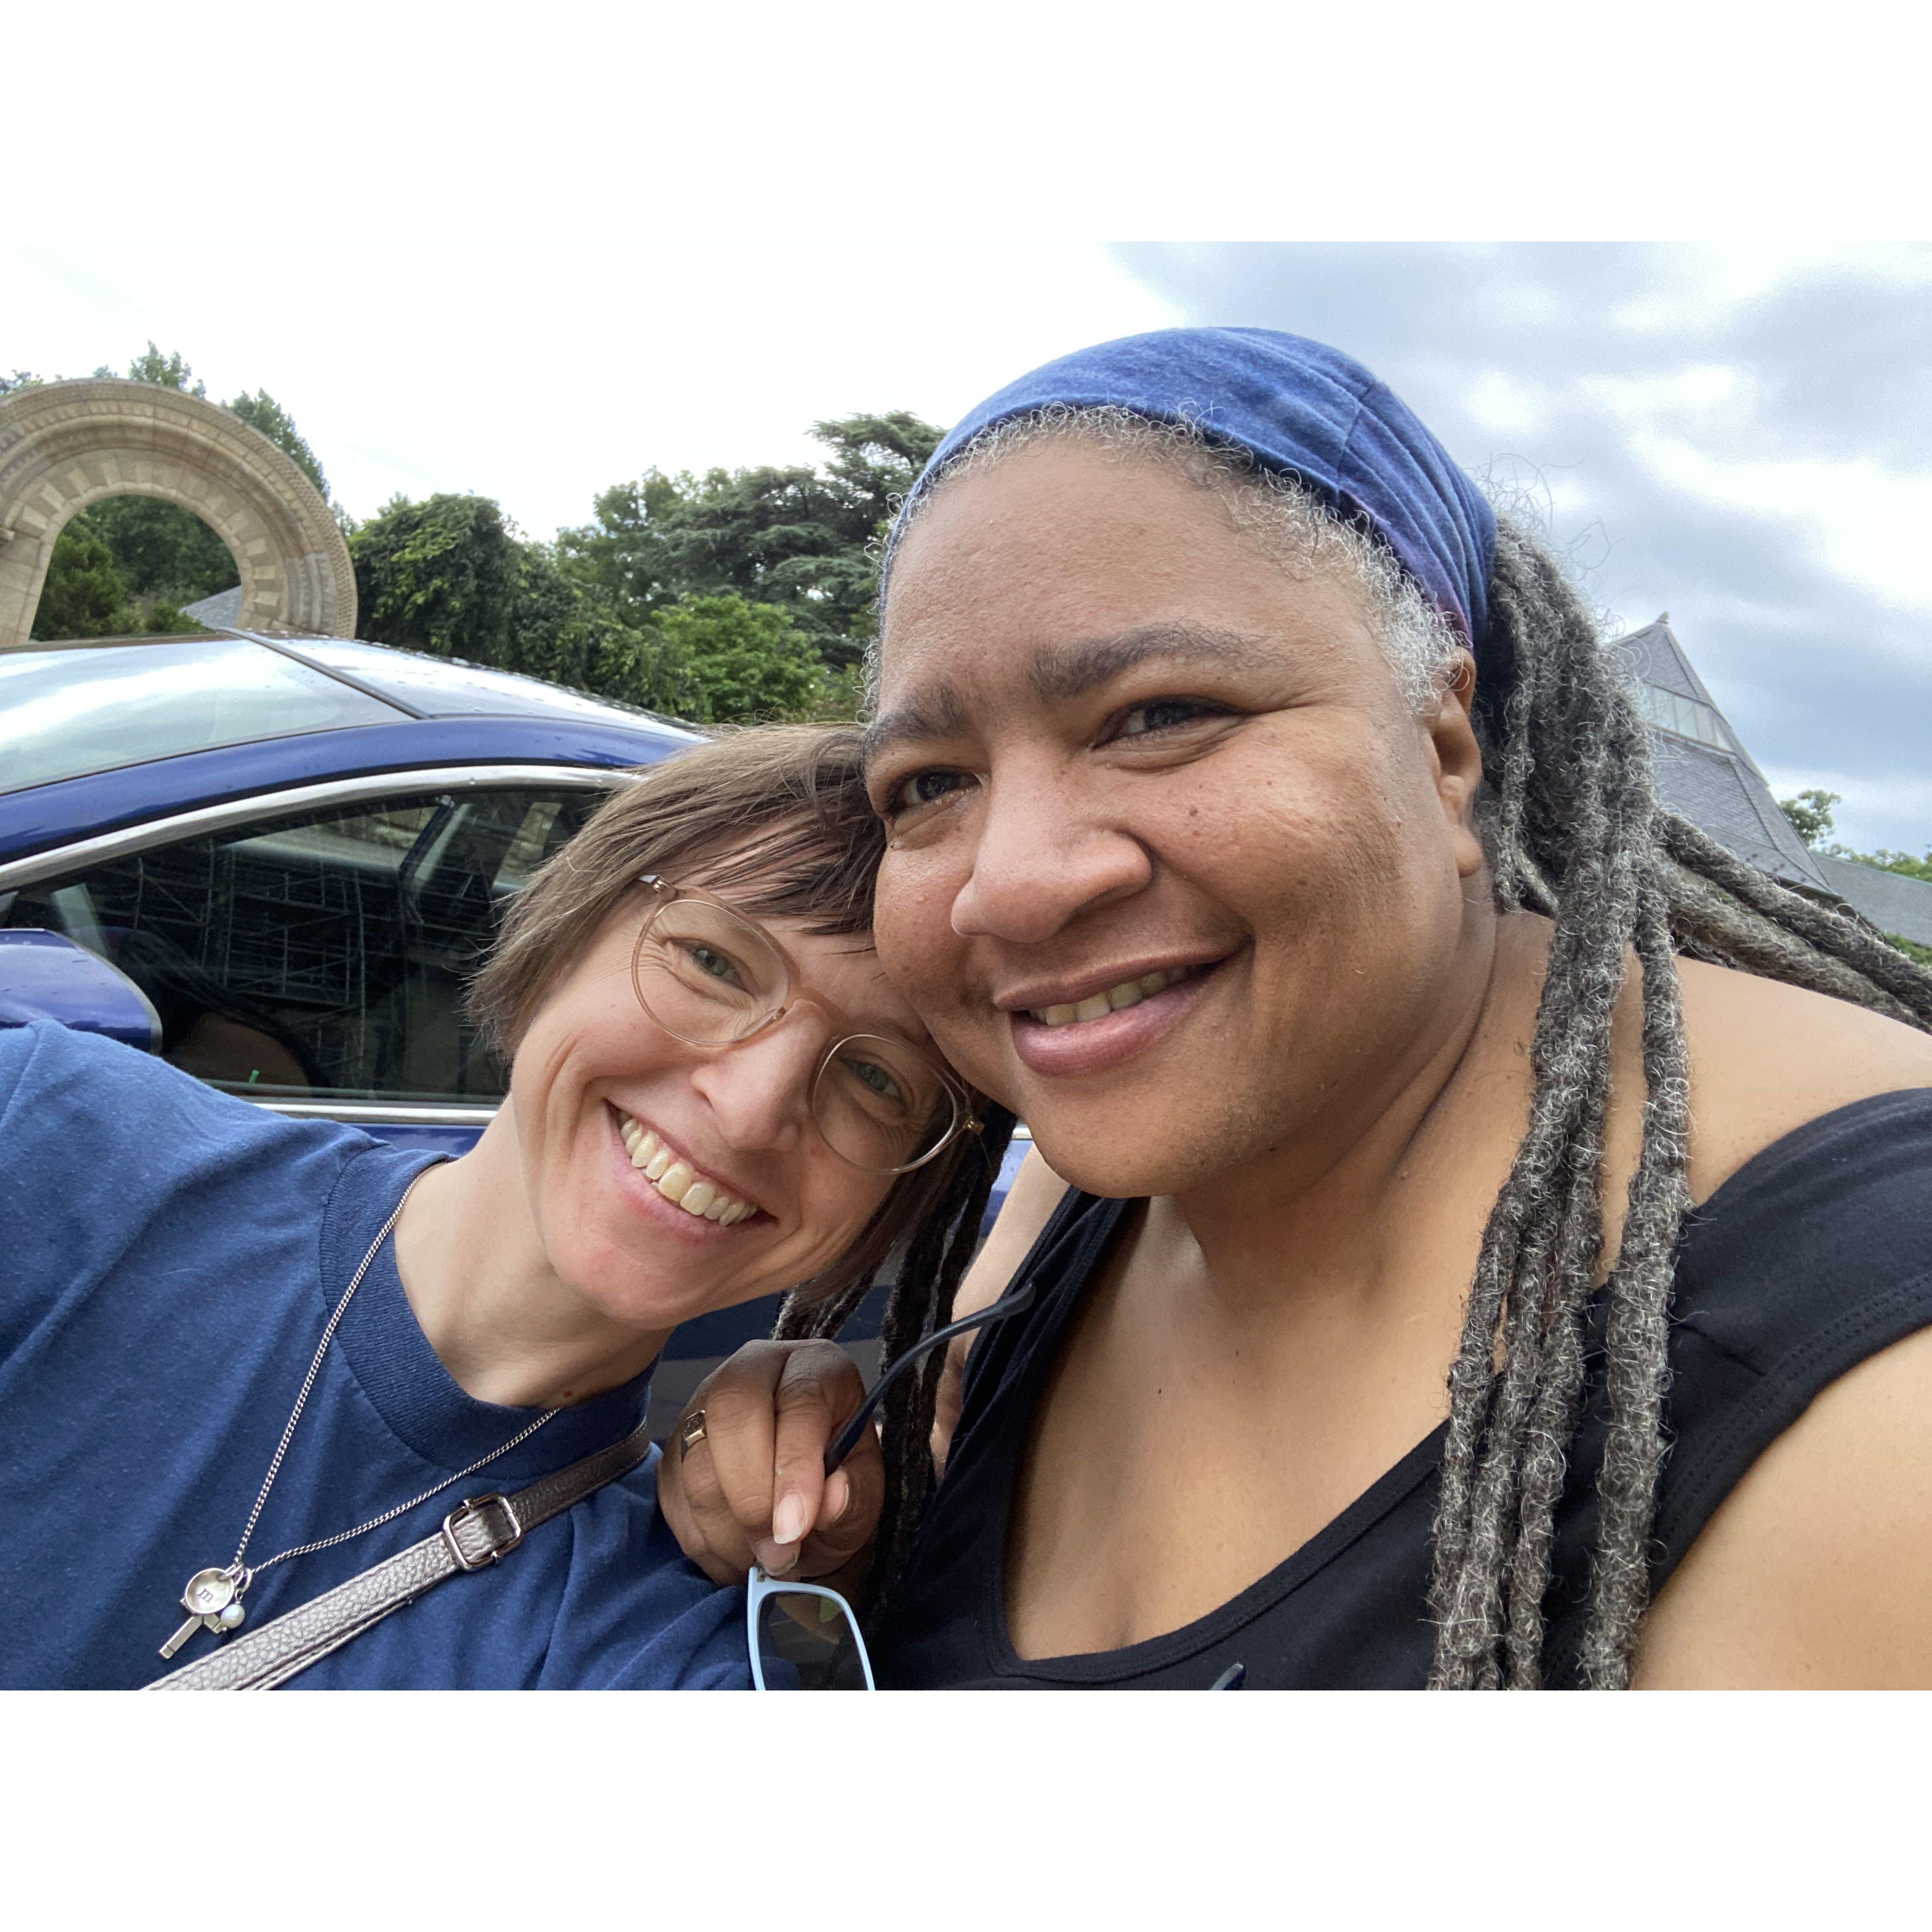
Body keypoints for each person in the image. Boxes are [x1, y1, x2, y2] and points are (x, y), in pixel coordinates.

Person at [659, 328, 1932, 1689]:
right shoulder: (1094, 1190)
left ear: (1446, 747)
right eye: (927, 783)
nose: (1009, 888)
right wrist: (836, 1545)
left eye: (1158, 716)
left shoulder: (1864, 1374)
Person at [0, 725, 1005, 1689]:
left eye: (878, 1081)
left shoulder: (657, 1646)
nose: (748, 1114)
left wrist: (820, 1585)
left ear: (895, 1203)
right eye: (713, 961)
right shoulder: (46, 1138)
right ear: (565, 929)